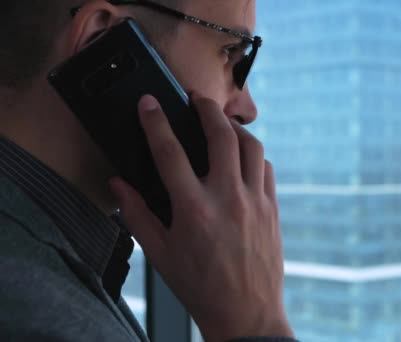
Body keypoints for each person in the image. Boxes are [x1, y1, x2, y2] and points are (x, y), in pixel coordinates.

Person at [0, 0, 296, 341]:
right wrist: (255, 324)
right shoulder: (35, 313)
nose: (247, 109)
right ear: (101, 40)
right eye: (229, 51)